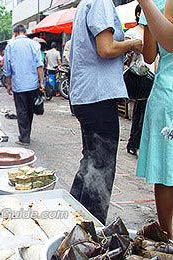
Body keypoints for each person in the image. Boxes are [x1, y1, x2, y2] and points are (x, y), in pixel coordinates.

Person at [68, 0, 142, 225]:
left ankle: (73, 222)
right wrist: (133, 43)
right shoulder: (100, 2)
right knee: (101, 167)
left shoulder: (87, 3)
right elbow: (106, 48)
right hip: (97, 95)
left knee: (91, 162)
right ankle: (91, 231)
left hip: (87, 94)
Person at [135, 0, 173, 239]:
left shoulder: (155, 3)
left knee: (166, 170)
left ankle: (168, 236)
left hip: (168, 94)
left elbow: (149, 55)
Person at [3, 24, 44, 146]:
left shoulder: (10, 45)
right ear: (25, 33)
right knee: (30, 110)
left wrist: (8, 84)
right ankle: (27, 134)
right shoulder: (34, 44)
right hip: (33, 84)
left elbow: (7, 68)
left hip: (19, 84)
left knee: (22, 111)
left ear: (15, 33)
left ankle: (24, 138)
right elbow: (39, 64)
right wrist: (41, 82)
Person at [125, 4, 156, 156]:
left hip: (154, 75)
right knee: (140, 111)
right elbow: (126, 57)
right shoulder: (132, 33)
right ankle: (134, 143)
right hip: (139, 76)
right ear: (138, 14)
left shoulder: (156, 30)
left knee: (145, 112)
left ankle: (139, 143)